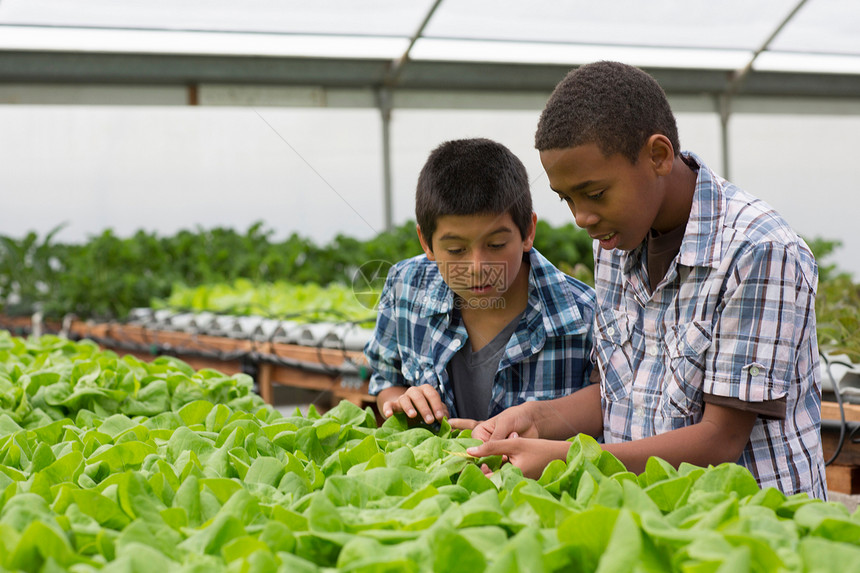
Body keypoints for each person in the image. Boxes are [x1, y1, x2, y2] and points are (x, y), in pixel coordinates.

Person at [466, 61, 827, 499]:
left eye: (595, 194)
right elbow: (621, 396)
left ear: (658, 156)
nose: (582, 217)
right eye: (568, 199)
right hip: (651, 513)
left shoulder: (758, 250)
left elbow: (719, 439)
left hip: (751, 526)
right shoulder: (615, 244)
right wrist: (534, 420)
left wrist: (569, 458)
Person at [364, 138, 596, 428]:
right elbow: (386, 379)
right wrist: (401, 401)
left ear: (528, 232)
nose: (478, 267)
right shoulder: (405, 287)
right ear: (426, 242)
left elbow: (610, 414)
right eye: (456, 250)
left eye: (496, 244)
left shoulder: (585, 319)